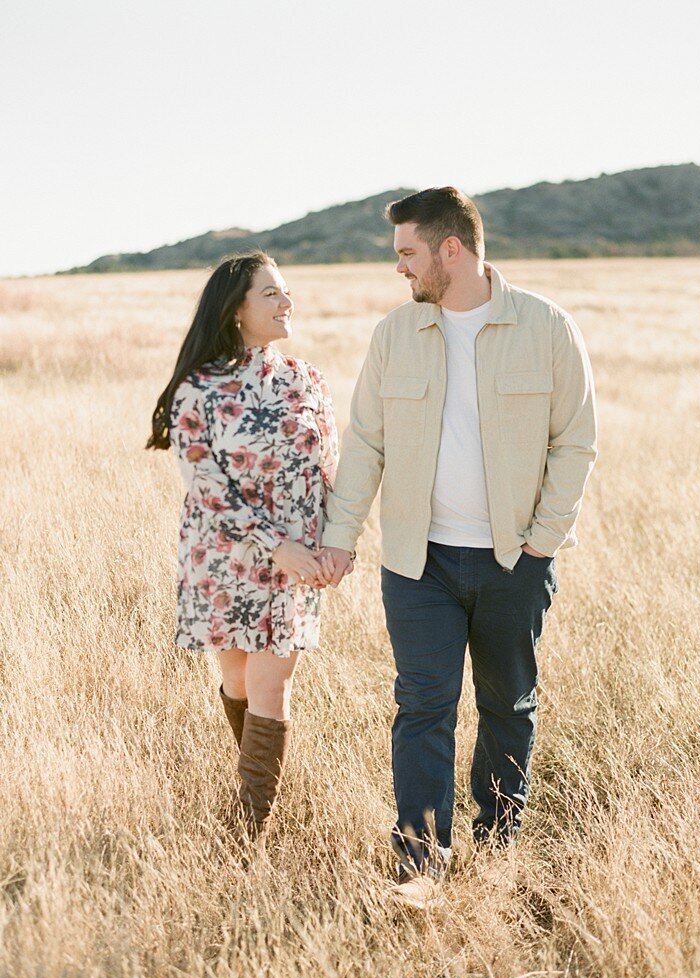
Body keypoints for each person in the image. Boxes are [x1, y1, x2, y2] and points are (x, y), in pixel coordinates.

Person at [320, 187, 598, 899]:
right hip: (419, 565)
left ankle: (498, 842)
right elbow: (365, 445)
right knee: (423, 707)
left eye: (408, 253)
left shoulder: (546, 327)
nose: (400, 269)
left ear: (452, 249)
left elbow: (576, 443)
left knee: (508, 706)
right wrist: (340, 539)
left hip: (515, 562)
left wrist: (542, 543)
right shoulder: (395, 335)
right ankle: (420, 864)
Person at [146, 251, 347, 849]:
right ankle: (256, 779)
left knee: (270, 681)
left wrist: (337, 540)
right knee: (236, 677)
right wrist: (272, 546)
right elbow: (207, 489)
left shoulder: (307, 379)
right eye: (272, 294)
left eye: (286, 292)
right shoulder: (197, 390)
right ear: (236, 310)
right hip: (224, 557)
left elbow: (333, 468)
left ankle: (249, 828)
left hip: (297, 564)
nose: (288, 303)